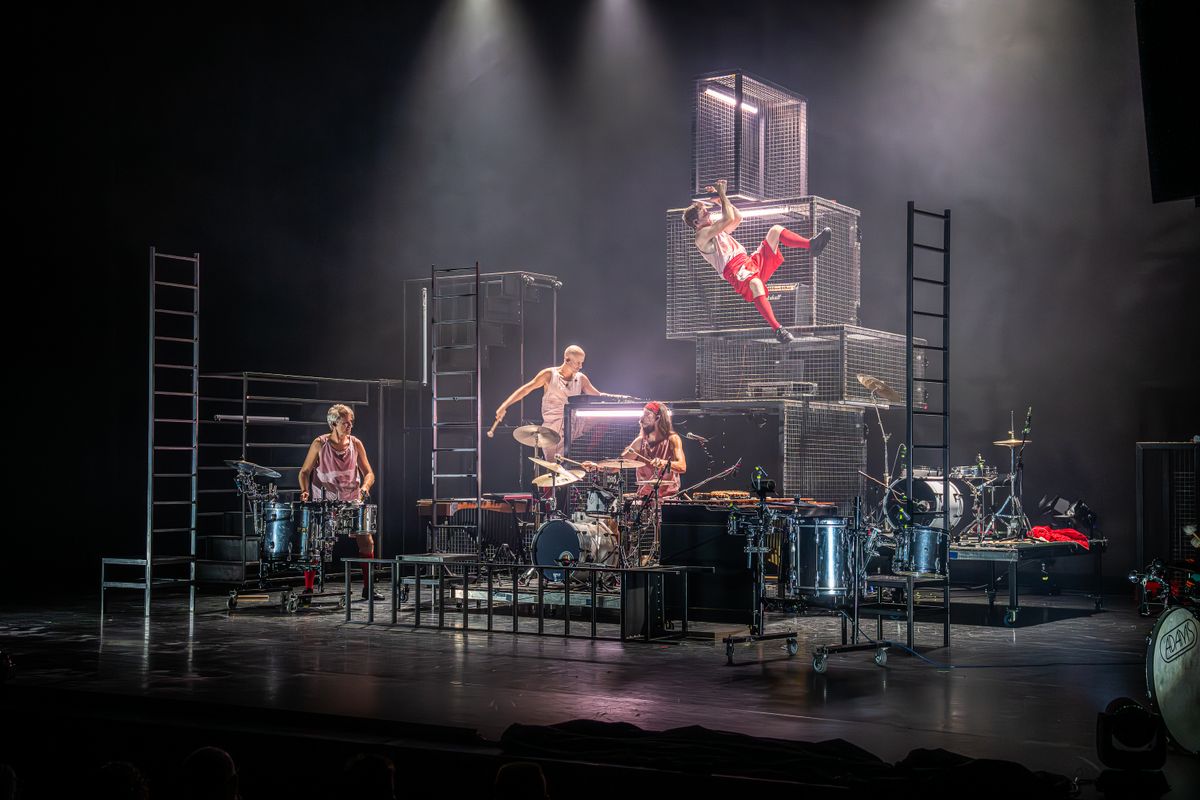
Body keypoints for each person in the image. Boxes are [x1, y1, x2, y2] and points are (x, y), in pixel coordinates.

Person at [683, 178, 831, 344]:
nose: (709, 213)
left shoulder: (715, 230)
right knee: (756, 284)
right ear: (696, 222)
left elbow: (736, 217)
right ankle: (778, 329)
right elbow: (728, 217)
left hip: (748, 261)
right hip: (735, 270)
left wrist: (719, 200)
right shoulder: (701, 236)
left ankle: (811, 245)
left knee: (775, 231)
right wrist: (722, 194)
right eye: (705, 213)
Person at [299, 404, 380, 600]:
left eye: (351, 423)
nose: (350, 426)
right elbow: (305, 472)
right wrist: (304, 491)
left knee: (366, 541)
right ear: (333, 424)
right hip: (325, 502)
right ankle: (308, 588)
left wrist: (365, 487)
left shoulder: (356, 444)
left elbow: (369, 473)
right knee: (314, 543)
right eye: (345, 423)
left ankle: (368, 588)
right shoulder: (320, 443)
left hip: (352, 500)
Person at [493, 345, 627, 463]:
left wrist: (620, 399)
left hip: (575, 424)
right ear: (567, 359)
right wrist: (504, 406)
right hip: (553, 430)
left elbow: (597, 396)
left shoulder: (581, 378)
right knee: (554, 469)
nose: (580, 366)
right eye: (577, 363)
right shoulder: (549, 374)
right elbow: (526, 389)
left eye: (582, 363)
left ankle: (594, 451)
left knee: (604, 415)